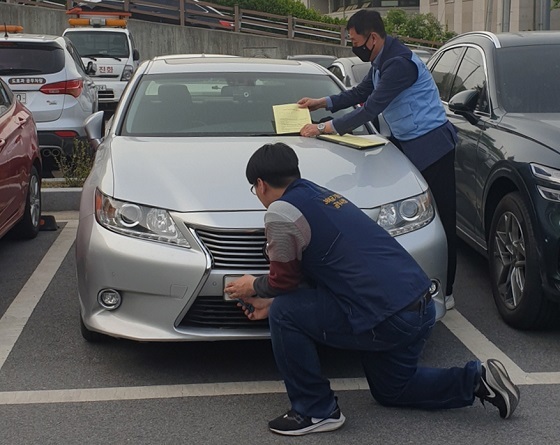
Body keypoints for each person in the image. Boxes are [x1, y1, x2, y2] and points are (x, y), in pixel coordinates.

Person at [225, 142, 520, 437]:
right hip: (418, 303)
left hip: (387, 315)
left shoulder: (280, 211)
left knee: (286, 314)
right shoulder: (319, 194)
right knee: (393, 389)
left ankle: (316, 410)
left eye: (255, 189)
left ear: (261, 184)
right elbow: (328, 270)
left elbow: (283, 281)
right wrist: (271, 302)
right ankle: (479, 380)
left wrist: (253, 285)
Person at [298, 9, 458, 310]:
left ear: (373, 38)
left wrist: (322, 128)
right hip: (408, 143)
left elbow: (369, 109)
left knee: (441, 219)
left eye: (355, 40)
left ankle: (446, 290)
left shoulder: (399, 64)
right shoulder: (382, 59)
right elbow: (360, 91)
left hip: (432, 146)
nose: (353, 47)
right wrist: (322, 102)